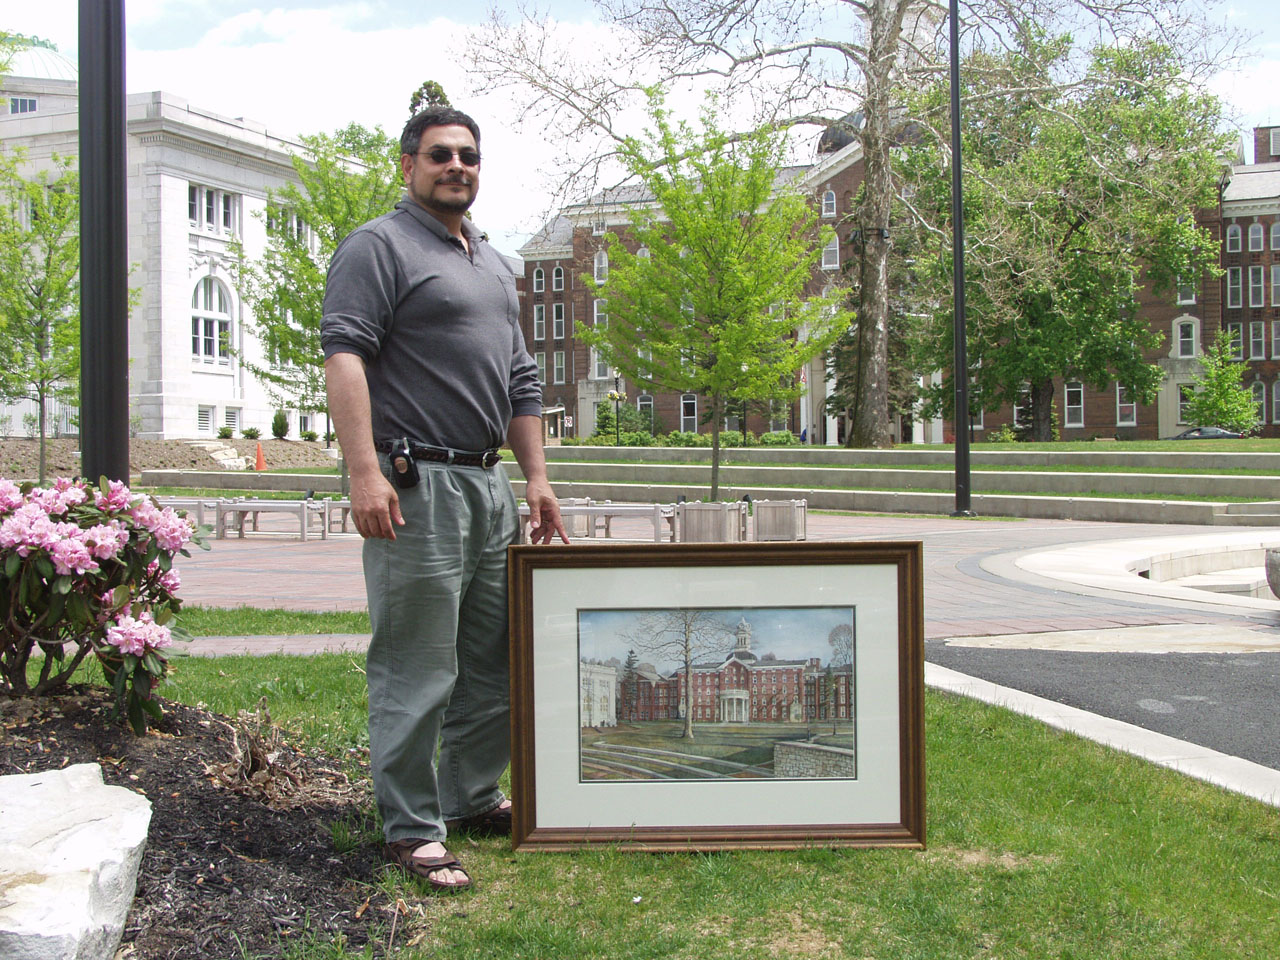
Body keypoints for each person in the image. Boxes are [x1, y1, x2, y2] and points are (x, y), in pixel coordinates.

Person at [321, 106, 567, 893]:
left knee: (492, 662)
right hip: (414, 484)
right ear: (407, 165)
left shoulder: (495, 262)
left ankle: (469, 795)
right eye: (439, 155)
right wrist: (364, 471)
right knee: (416, 664)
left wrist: (535, 478)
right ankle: (411, 826)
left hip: (488, 484)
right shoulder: (377, 247)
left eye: (467, 155)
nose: (455, 165)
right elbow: (346, 355)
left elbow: (521, 379)